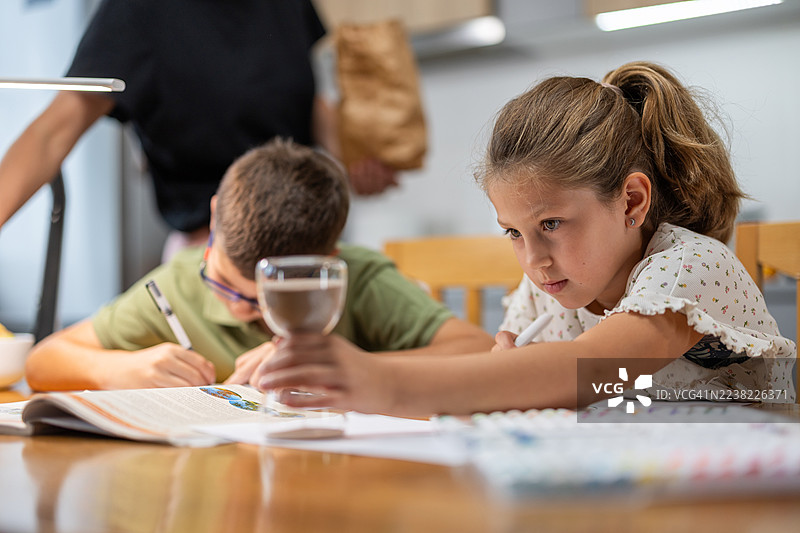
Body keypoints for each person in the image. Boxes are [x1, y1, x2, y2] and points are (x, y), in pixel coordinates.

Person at [252, 61, 797, 417]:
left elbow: (591, 374)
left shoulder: (691, 268)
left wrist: (382, 382)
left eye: (551, 224)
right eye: (513, 232)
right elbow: (504, 375)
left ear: (632, 201)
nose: (534, 259)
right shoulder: (551, 284)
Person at [24, 138, 492, 391]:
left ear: (327, 262)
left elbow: (477, 350)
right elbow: (45, 361)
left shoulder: (360, 278)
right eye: (229, 288)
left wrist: (346, 365)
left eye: (273, 299)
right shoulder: (179, 286)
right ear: (213, 219)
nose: (247, 310)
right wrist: (116, 371)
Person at [0, 0, 396, 257]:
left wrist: (351, 155)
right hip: (212, 253)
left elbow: (300, 99)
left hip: (311, 245)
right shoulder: (137, 12)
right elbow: (50, 135)